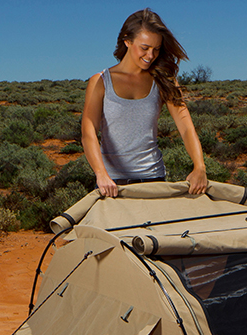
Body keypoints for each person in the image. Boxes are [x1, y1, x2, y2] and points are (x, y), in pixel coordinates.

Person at [81, 8, 207, 198]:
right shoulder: (100, 82)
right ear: (127, 41)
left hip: (154, 180)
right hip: (111, 184)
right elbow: (88, 132)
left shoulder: (163, 80)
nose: (150, 55)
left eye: (156, 49)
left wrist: (200, 167)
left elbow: (186, 127)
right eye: (145, 48)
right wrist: (101, 174)